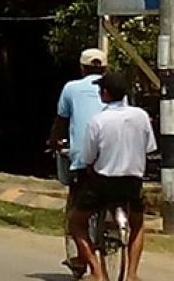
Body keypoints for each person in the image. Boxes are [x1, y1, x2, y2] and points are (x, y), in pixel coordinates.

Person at [70, 73, 156, 281]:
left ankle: (96, 272)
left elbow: (88, 157)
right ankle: (132, 274)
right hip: (133, 181)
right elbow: (149, 147)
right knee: (137, 224)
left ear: (106, 93)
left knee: (76, 222)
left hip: (103, 182)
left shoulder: (98, 121)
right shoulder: (141, 116)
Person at [48, 48, 107, 275]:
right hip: (116, 158)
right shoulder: (117, 89)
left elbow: (61, 120)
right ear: (105, 68)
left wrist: (54, 141)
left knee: (77, 204)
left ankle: (82, 259)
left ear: (82, 68)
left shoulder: (71, 88)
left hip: (85, 160)